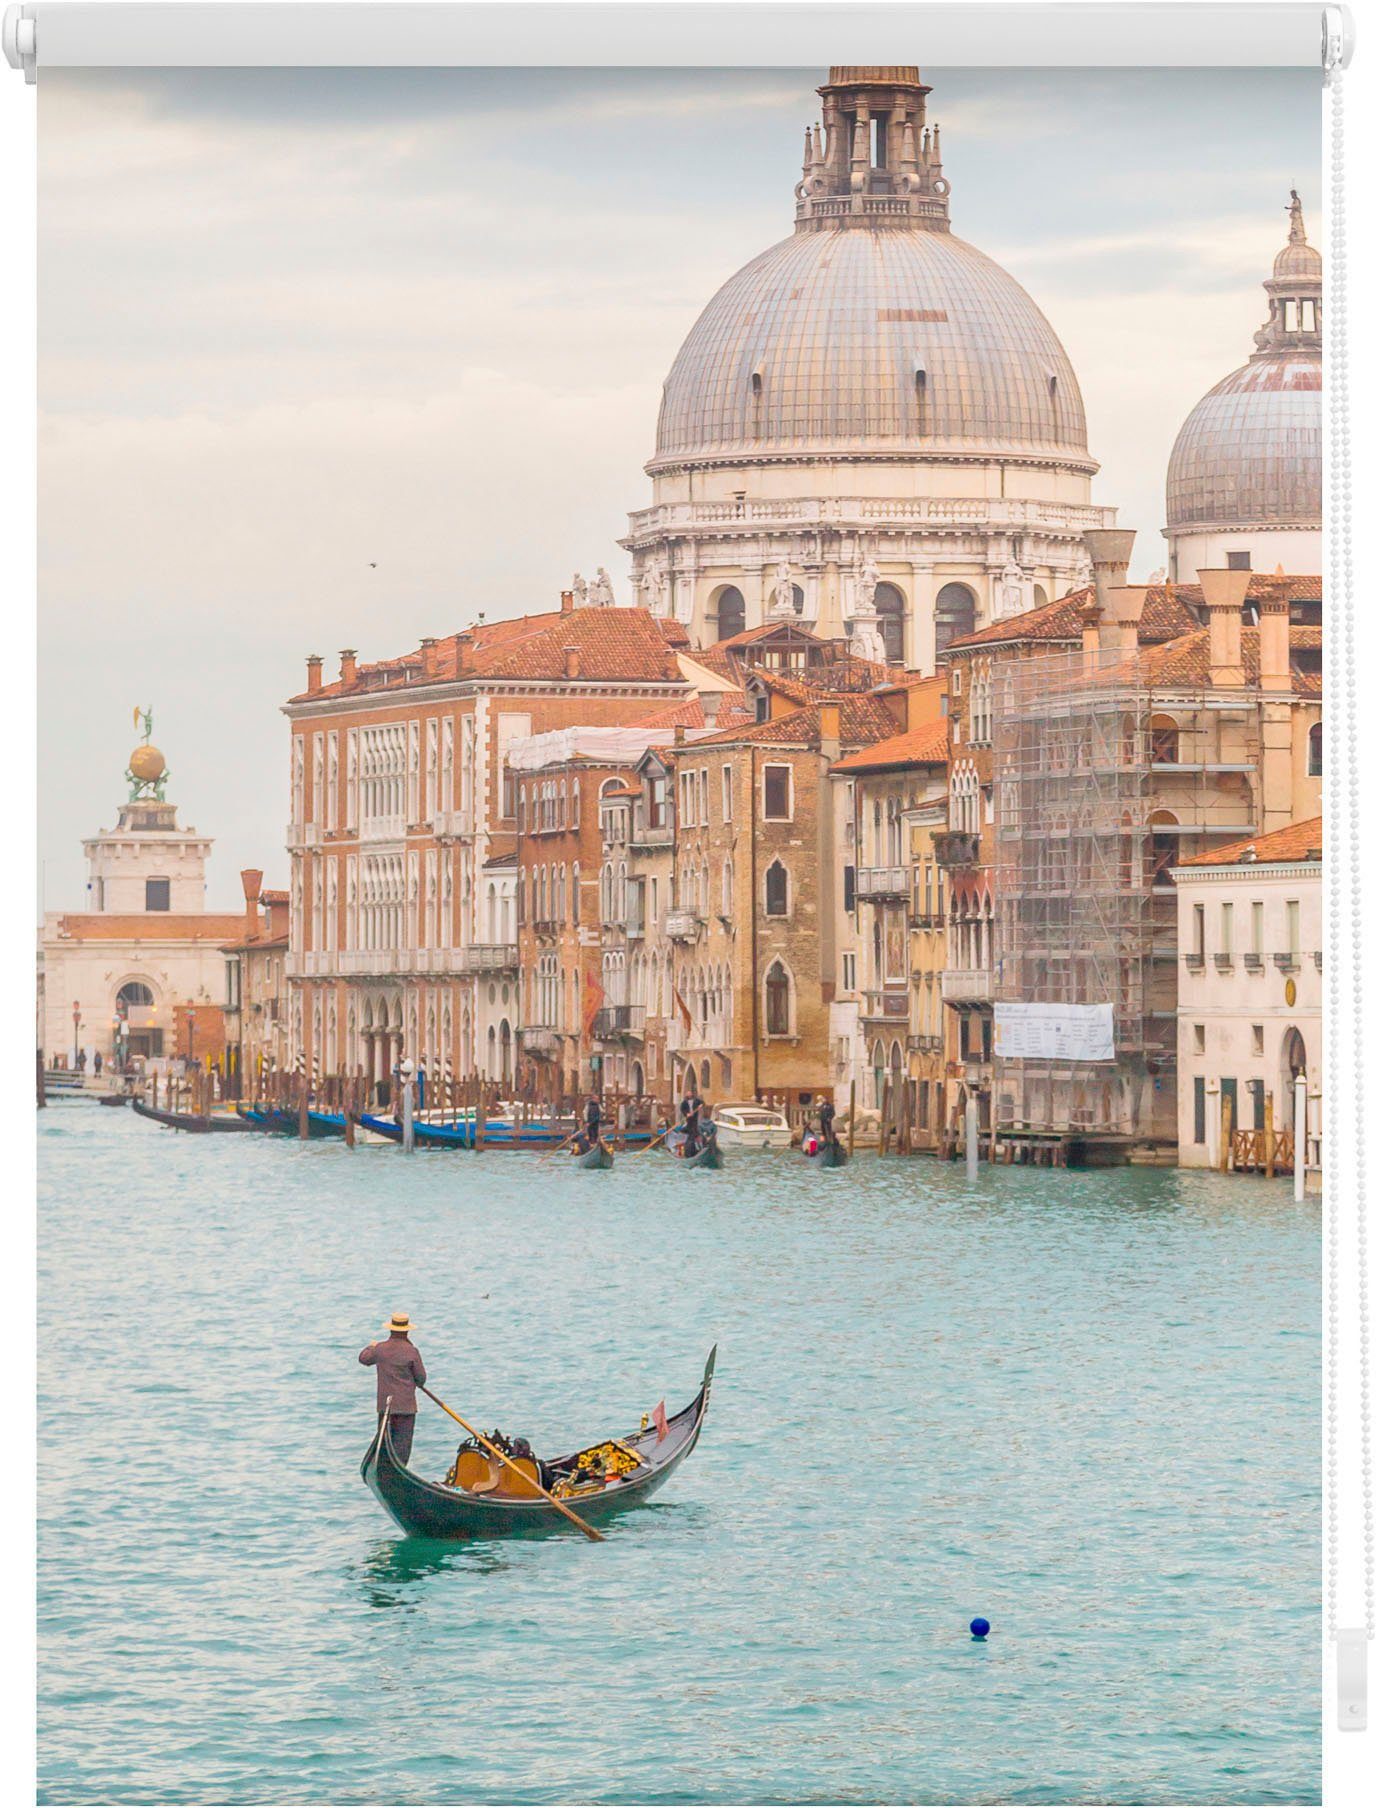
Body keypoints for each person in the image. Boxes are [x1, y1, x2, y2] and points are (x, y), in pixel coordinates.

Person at [359, 1312, 427, 1465]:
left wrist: (371, 1346)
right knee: (401, 1451)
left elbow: (363, 1358)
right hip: (406, 1408)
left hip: (386, 1408)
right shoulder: (412, 1351)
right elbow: (421, 1380)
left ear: (391, 1329)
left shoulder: (380, 1349)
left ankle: (385, 1469)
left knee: (384, 1447)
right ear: (407, 1331)